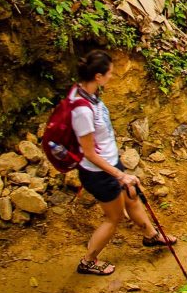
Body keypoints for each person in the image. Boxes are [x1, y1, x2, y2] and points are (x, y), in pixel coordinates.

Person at [71, 50, 176, 276]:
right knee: (114, 217)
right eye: (108, 73)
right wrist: (119, 175)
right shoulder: (81, 109)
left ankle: (151, 235)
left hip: (109, 163)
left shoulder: (89, 93)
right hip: (98, 173)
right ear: (97, 76)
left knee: (132, 196)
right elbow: (88, 152)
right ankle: (88, 261)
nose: (112, 75)